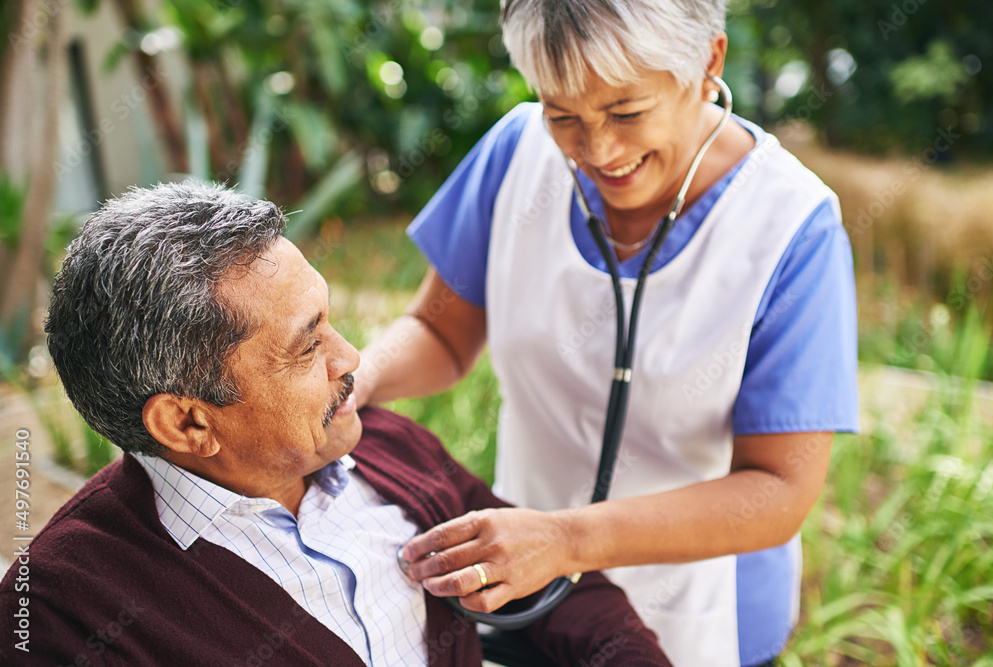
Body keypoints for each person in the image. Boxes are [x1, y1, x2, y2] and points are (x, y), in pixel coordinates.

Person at [355, 1, 860, 665]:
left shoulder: (792, 228)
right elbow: (441, 335)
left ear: (708, 62)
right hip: (527, 598)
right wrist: (356, 376)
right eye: (562, 113)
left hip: (699, 621)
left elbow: (778, 489)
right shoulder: (514, 154)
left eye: (627, 112)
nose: (598, 150)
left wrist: (569, 539)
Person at [0, 182, 673, 667]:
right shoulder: (61, 614)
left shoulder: (386, 445)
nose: (351, 359)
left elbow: (547, 583)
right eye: (306, 345)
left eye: (328, 319)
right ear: (186, 421)